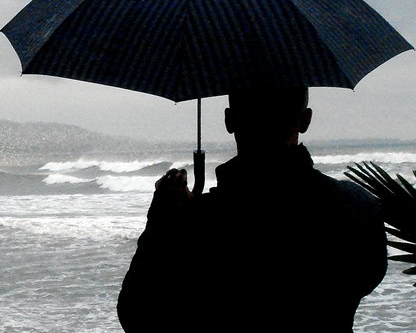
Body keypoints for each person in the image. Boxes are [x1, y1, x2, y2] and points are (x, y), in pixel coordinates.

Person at [117, 87, 387, 333]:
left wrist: (162, 222)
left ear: (229, 120)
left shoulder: (198, 222)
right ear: (305, 120)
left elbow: (137, 315)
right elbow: (366, 279)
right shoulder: (358, 206)